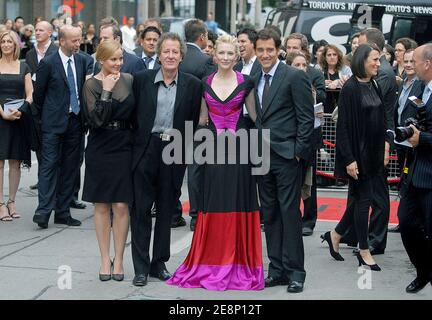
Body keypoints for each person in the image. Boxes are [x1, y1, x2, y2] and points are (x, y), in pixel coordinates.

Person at [167, 35, 263, 291]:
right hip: (212, 152)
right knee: (213, 204)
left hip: (239, 153)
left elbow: (255, 117)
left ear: (237, 56)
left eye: (230, 54)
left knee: (236, 204)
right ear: (214, 54)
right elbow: (200, 120)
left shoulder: (247, 82)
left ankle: (238, 262)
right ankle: (212, 259)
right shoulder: (204, 83)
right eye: (221, 53)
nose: (225, 58)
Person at [130, 32, 202, 287]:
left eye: (175, 52)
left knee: (165, 210)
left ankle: (158, 263)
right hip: (145, 150)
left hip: (174, 151)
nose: (170, 56)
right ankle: (140, 267)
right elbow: (132, 117)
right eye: (166, 51)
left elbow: (194, 122)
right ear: (158, 55)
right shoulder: (141, 80)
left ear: (181, 57)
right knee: (139, 210)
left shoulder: (193, 85)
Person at [254, 28, 314, 293]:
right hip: (260, 156)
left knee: (289, 214)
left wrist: (298, 152)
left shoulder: (293, 76)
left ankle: (296, 271)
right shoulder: (253, 76)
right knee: (269, 215)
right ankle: (276, 269)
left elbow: (306, 118)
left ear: (278, 49)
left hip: (287, 156)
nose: (265, 54)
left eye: (269, 49)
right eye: (260, 50)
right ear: (255, 51)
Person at [321, 43, 387, 271]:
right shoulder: (350, 88)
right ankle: (364, 249)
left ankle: (336, 234)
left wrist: (385, 146)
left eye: (379, 60)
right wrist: (349, 159)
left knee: (360, 199)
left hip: (374, 155)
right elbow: (344, 128)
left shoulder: (374, 83)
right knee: (364, 200)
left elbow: (381, 116)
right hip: (357, 157)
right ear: (362, 61)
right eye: (375, 59)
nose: (379, 63)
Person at [339, 28, 398, 254]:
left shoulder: (379, 75)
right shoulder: (364, 80)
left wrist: (384, 144)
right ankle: (346, 234)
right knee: (359, 195)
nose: (356, 49)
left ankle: (373, 240)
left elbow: (377, 113)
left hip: (372, 148)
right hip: (364, 149)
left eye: (361, 46)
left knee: (375, 195)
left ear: (372, 49)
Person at [82, 40, 134, 282]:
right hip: (100, 147)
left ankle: (120, 259)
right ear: (101, 60)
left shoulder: (130, 80)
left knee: (121, 205)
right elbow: (97, 121)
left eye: (120, 58)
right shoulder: (91, 84)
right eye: (113, 59)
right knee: (101, 205)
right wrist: (107, 91)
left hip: (124, 145)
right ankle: (105, 259)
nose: (118, 63)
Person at [32, 25, 88, 229]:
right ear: (62, 41)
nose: (77, 43)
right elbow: (38, 95)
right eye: (73, 40)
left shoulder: (82, 60)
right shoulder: (48, 63)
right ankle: (43, 211)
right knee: (48, 167)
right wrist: (44, 120)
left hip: (75, 122)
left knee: (70, 168)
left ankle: (63, 212)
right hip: (53, 124)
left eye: (79, 39)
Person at [397, 43, 432, 293]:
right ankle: (423, 271)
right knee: (406, 224)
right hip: (415, 169)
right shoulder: (421, 86)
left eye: (415, 61)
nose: (411, 65)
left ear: (427, 64)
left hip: (430, 175)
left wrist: (424, 139)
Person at [175, 19, 216, 230]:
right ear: (202, 37)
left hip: (176, 119)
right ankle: (195, 214)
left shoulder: (177, 57)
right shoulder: (206, 61)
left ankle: (172, 212)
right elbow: (210, 92)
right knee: (196, 168)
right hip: (200, 122)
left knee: (173, 166)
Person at [286, 51, 326, 237]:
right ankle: (292, 217)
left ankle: (309, 219)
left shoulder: (313, 79)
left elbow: (324, 98)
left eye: (304, 65)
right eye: (297, 65)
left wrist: (317, 103)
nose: (302, 68)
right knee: (291, 183)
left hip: (310, 140)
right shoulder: (285, 84)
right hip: (290, 140)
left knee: (309, 182)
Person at [0, 30, 33, 222]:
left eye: (9, 42)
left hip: (18, 117)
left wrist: (21, 109)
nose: (5, 45)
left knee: (15, 162)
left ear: (15, 45)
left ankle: (12, 202)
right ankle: (1, 204)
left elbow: (30, 94)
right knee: (0, 162)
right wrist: (3, 112)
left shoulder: (24, 67)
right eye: (3, 41)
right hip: (0, 118)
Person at [319, 44, 352, 113]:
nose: (332, 57)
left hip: (341, 107)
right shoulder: (319, 70)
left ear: (338, 56)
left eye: (334, 54)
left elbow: (351, 82)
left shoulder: (345, 69)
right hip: (324, 108)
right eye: (329, 55)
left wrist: (338, 81)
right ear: (325, 57)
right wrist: (321, 83)